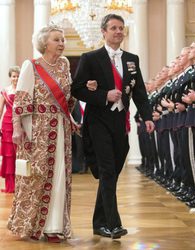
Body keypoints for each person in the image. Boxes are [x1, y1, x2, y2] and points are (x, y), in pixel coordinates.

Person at [72, 14, 154, 239]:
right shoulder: (91, 58)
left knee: (112, 172)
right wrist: (103, 95)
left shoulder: (132, 59)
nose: (118, 31)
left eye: (121, 28)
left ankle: (99, 223)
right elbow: (77, 89)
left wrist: (147, 116)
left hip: (120, 122)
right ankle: (113, 223)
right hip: (98, 121)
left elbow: (139, 93)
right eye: (114, 28)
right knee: (108, 170)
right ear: (103, 31)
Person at [7, 24, 79, 243]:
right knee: (37, 175)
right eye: (57, 39)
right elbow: (21, 99)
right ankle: (32, 224)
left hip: (60, 128)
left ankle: (54, 226)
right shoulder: (32, 65)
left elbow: (68, 100)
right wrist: (17, 128)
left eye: (63, 39)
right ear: (44, 43)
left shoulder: (65, 65)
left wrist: (72, 116)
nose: (61, 43)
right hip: (37, 128)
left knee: (60, 174)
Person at [0, 66, 20, 193]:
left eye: (18, 76)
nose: (16, 78)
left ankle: (21, 184)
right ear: (10, 77)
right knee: (9, 154)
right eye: (13, 76)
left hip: (20, 125)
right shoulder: (5, 91)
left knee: (19, 153)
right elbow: (0, 109)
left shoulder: (23, 90)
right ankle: (10, 185)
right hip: (7, 124)